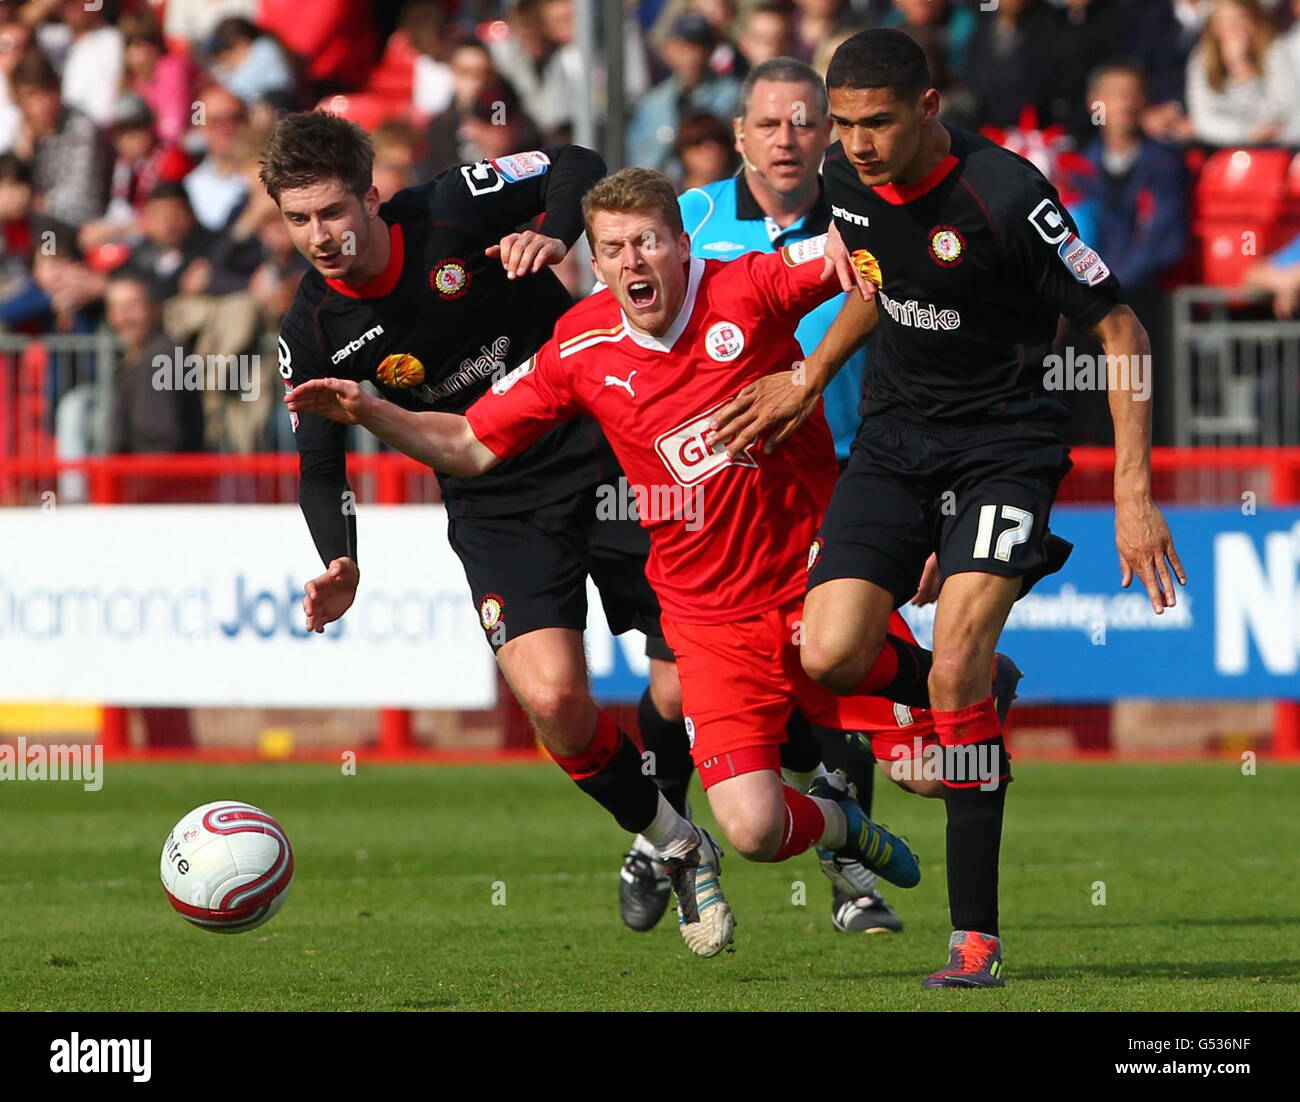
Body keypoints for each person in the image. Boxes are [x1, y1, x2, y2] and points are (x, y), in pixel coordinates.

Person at [284, 167, 935, 922]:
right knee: (716, 801)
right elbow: (463, 442)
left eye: (648, 242)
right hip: (670, 597)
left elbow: (862, 254)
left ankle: (948, 688)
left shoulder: (746, 286)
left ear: (683, 246)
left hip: (789, 568)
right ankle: (764, 832)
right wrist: (371, 413)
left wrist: (813, 371)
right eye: (614, 249)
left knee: (921, 768)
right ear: (595, 264)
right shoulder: (577, 346)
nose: (631, 262)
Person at [710, 29, 1185, 988]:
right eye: (842, 125)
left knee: (956, 669)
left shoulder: (1006, 195)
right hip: (893, 441)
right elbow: (882, 289)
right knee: (830, 651)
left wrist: (1134, 494)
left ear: (928, 109)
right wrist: (811, 375)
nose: (855, 143)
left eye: (876, 122)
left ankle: (975, 942)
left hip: (1003, 446)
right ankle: (958, 693)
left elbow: (1120, 324)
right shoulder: (846, 182)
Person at [260, 112, 732, 958]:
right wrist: (340, 558)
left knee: (684, 683)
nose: (320, 237)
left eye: (332, 211)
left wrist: (552, 235)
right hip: (493, 497)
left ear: (370, 195)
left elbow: (576, 160)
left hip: (604, 452)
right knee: (554, 701)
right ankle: (674, 839)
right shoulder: (313, 330)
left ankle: (752, 814)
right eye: (298, 220)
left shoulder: (448, 208)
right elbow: (322, 469)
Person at [677, 55, 899, 935]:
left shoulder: (864, 215)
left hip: (848, 463)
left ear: (830, 133)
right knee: (681, 677)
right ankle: (667, 833)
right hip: (724, 490)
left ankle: (854, 874)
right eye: (769, 123)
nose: (787, 139)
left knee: (839, 654)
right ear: (739, 134)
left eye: (805, 122)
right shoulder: (685, 224)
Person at [1185, 0, 1300, 146]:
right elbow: (1202, 119)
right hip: (1221, 148)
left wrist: (1245, 72)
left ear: (1254, 23)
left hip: (1274, 145)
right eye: (1226, 21)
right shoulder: (1202, 60)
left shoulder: (1274, 53)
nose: (1234, 28)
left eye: (1240, 19)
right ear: (1214, 27)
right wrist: (1245, 133)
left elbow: (1285, 108)